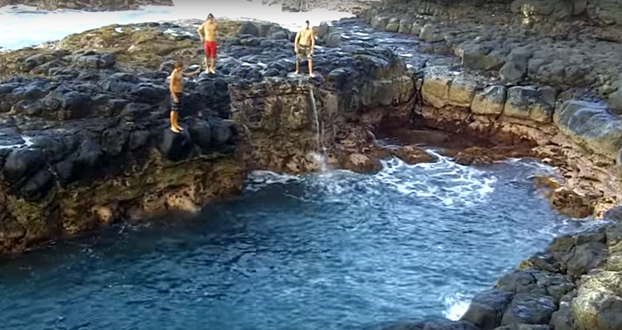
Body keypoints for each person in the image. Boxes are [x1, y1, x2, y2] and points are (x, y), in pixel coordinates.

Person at [169, 59, 200, 133]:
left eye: (181, 67)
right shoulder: (174, 74)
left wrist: (195, 72)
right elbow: (170, 86)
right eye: (179, 67)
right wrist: (174, 96)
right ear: (176, 67)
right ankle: (172, 125)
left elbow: (186, 75)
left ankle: (176, 124)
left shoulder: (180, 72)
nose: (181, 69)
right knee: (174, 110)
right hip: (175, 93)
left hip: (180, 92)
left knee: (177, 110)